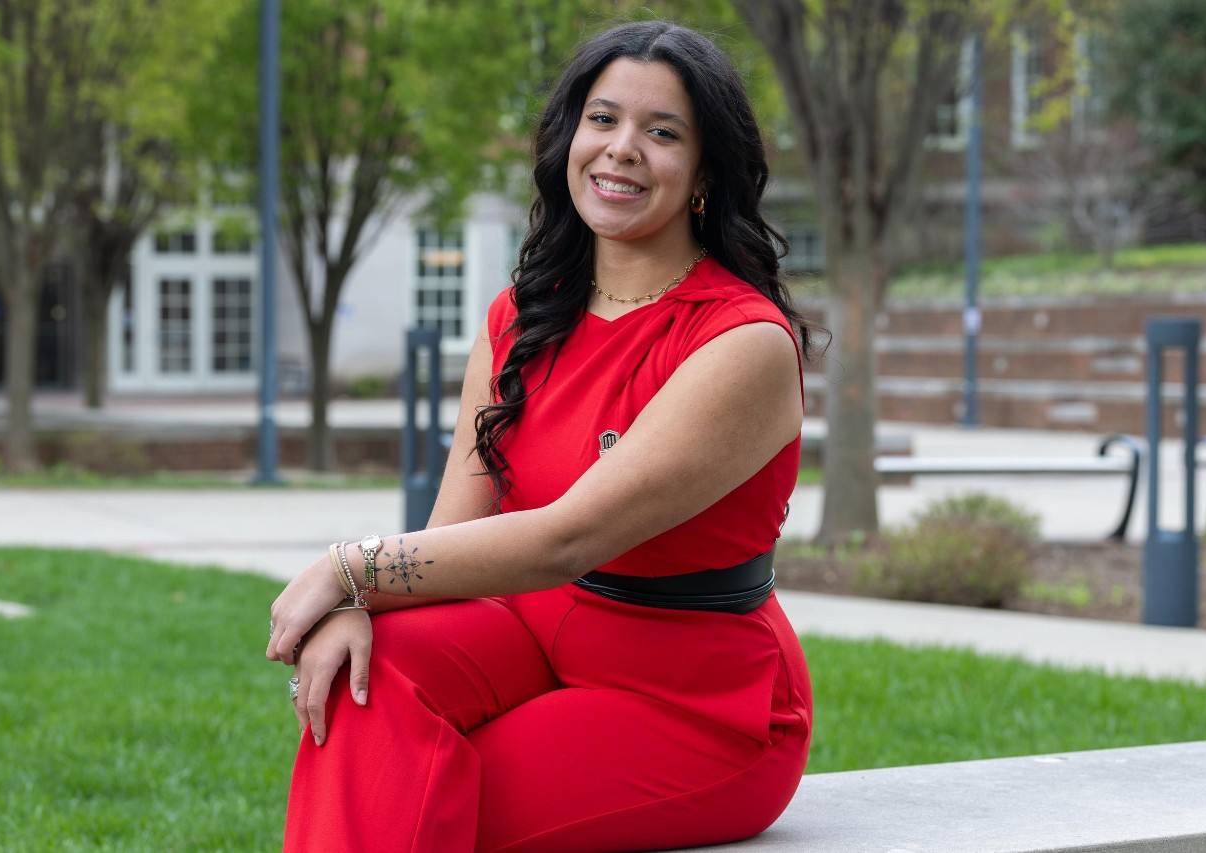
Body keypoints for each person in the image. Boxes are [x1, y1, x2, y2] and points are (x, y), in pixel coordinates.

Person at [266, 19, 818, 853]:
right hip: (533, 629)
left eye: (661, 132)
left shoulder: (742, 344)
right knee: (365, 681)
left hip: (692, 699)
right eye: (603, 119)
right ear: (570, 138)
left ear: (704, 170)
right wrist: (360, 604)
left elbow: (569, 537)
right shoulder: (523, 315)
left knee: (417, 802)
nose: (621, 149)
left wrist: (347, 566)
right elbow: (457, 525)